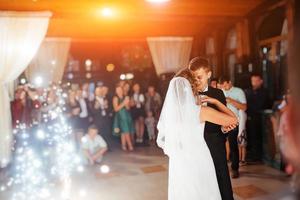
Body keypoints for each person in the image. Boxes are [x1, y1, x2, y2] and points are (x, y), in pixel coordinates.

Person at [157, 67, 238, 200]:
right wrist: (215, 101)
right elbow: (234, 119)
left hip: (180, 163)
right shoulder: (200, 111)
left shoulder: (171, 114)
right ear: (191, 88)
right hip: (200, 159)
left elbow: (164, 139)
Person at [188, 57, 237, 199]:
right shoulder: (187, 95)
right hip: (196, 146)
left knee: (221, 178)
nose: (196, 81)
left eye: (199, 77)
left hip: (215, 145)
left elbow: (224, 121)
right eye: (193, 77)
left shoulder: (218, 94)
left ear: (209, 74)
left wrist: (224, 129)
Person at [219, 76, 247, 178]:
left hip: (234, 121)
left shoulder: (238, 91)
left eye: (226, 85)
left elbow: (244, 107)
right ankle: (221, 168)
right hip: (220, 122)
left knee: (233, 145)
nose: (224, 87)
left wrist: (231, 101)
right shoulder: (220, 91)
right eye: (222, 86)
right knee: (219, 145)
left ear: (230, 82)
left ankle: (235, 169)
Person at [245, 73, 270, 161]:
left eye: (256, 81)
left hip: (261, 118)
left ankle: (260, 156)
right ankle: (253, 155)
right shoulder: (248, 91)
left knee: (260, 137)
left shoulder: (265, 92)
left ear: (261, 81)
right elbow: (245, 104)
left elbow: (262, 104)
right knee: (251, 137)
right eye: (253, 81)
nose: (254, 83)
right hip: (249, 118)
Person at [112, 86, 134, 151]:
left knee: (124, 131)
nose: (119, 91)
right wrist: (123, 103)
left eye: (120, 90)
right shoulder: (115, 98)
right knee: (125, 130)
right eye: (117, 90)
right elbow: (116, 109)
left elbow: (128, 108)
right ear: (116, 91)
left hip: (126, 115)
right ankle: (130, 145)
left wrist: (127, 102)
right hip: (120, 116)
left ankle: (123, 145)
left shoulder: (125, 97)